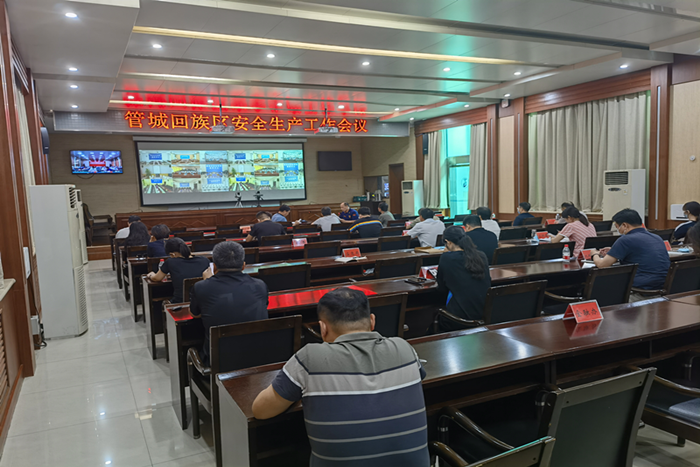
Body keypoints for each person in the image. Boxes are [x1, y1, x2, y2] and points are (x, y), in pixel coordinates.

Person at [251, 288, 429, 466]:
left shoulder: (309, 359)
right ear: (372, 321)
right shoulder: (405, 349)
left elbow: (260, 410)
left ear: (323, 328)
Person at [190, 241, 268, 364]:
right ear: (243, 266)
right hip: (260, 357)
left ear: (214, 267)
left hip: (219, 361)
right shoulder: (260, 285)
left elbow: (194, 314)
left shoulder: (201, 287)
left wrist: (208, 282)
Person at [591, 209, 670, 301]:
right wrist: (614, 251)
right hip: (662, 286)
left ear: (625, 225)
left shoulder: (625, 240)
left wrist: (594, 254)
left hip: (640, 289)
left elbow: (602, 265)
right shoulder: (656, 237)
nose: (618, 230)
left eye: (617, 227)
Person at [436, 226, 491, 332]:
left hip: (459, 320)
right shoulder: (481, 255)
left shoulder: (447, 258)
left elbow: (441, 288)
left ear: (448, 242)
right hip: (484, 314)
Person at [147, 237, 210, 303]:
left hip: (180, 303)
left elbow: (156, 278)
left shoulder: (171, 262)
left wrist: (151, 275)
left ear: (172, 254)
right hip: (203, 301)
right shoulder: (204, 260)